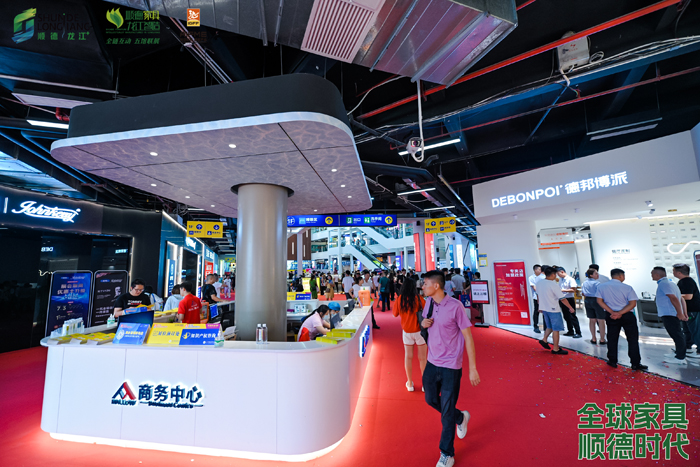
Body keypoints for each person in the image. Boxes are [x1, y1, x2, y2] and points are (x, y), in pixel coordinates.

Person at [420, 270, 479, 467]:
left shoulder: (456, 307)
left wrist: (472, 368)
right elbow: (426, 324)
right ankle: (460, 417)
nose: (423, 287)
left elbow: (468, 337)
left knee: (446, 413)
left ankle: (447, 453)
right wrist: (423, 323)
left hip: (451, 366)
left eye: (425, 284)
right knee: (430, 399)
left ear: (436, 286)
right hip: (432, 362)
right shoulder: (429, 303)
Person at [596, 269, 647, 371]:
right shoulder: (627, 287)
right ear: (621, 276)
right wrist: (620, 313)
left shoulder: (601, 287)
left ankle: (612, 361)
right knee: (632, 339)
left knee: (612, 338)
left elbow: (599, 301)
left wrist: (612, 312)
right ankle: (635, 363)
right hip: (627, 315)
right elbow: (632, 303)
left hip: (611, 316)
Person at [392, 277, 426, 392]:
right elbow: (427, 312)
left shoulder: (400, 299)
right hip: (420, 331)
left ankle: (410, 383)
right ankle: (425, 384)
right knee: (423, 359)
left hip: (407, 331)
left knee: (408, 357)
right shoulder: (419, 298)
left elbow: (395, 314)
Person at [651, 267, 688, 365]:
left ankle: (680, 357)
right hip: (671, 313)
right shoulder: (670, 283)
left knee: (677, 335)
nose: (651, 276)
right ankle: (678, 353)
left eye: (652, 274)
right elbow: (680, 298)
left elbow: (674, 298)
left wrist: (680, 313)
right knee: (676, 334)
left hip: (670, 314)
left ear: (657, 275)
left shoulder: (664, 284)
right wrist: (683, 312)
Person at [536, 266, 574, 355]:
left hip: (544, 308)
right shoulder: (553, 285)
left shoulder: (539, 283)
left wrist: (540, 306)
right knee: (556, 329)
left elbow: (538, 295)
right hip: (553, 309)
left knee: (549, 326)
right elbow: (562, 298)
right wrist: (570, 307)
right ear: (552, 274)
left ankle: (544, 339)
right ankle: (556, 349)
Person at [673, 264, 700, 358]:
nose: (673, 272)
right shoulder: (683, 281)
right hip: (687, 309)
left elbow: (688, 296)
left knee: (695, 330)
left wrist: (674, 296)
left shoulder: (687, 282)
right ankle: (687, 346)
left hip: (692, 309)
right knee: (687, 329)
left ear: (679, 273)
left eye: (674, 271)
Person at [581, 269, 606, 345]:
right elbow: (601, 293)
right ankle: (602, 339)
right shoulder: (597, 283)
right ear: (591, 275)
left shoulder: (584, 283)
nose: (597, 275)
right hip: (597, 300)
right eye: (596, 273)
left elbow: (583, 293)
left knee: (592, 320)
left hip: (587, 300)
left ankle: (593, 338)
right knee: (601, 320)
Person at [557, 268, 582, 338]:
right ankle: (570, 331)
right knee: (566, 316)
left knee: (572, 316)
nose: (558, 275)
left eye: (558, 274)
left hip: (569, 299)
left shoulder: (570, 279)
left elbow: (573, 289)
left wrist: (562, 290)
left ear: (562, 272)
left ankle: (578, 332)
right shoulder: (561, 280)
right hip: (562, 299)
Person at [528, 265, 544, 333]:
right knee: (536, 311)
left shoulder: (543, 277)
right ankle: (536, 326)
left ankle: (546, 327)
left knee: (545, 312)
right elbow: (535, 288)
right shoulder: (531, 278)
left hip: (544, 297)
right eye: (539, 269)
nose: (540, 271)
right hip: (536, 297)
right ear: (535, 270)